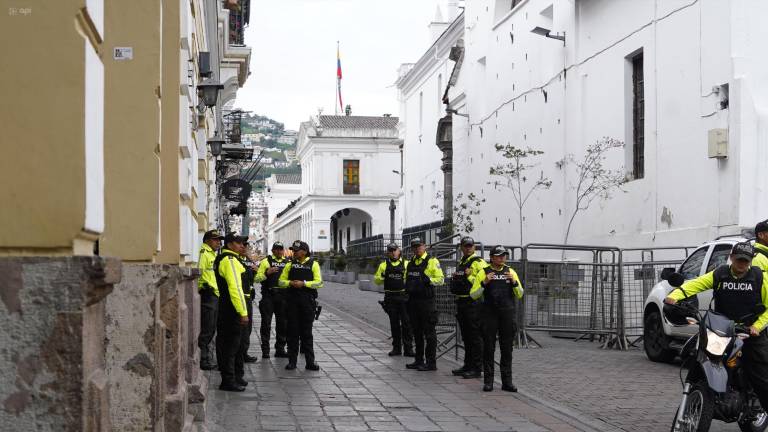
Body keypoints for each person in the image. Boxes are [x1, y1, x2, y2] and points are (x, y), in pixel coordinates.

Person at [665, 242, 768, 410]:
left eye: (746, 261)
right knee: (701, 354)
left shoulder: (760, 278)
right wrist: (675, 296)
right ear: (731, 258)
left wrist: (757, 326)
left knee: (762, 377)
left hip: (750, 332)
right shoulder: (720, 274)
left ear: (751, 261)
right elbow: (695, 284)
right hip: (722, 329)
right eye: (738, 259)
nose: (741, 264)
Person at [470, 245, 523, 392]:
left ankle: (507, 382)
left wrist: (514, 282)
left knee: (507, 349)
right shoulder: (484, 272)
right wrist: (484, 283)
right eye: (499, 256)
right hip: (489, 315)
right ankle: (489, 382)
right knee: (489, 348)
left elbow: (520, 294)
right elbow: (473, 294)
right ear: (492, 258)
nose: (502, 258)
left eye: (504, 255)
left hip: (507, 315)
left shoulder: (510, 271)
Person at [278, 240, 323, 371]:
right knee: (292, 333)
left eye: (296, 251)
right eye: (293, 250)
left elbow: (319, 283)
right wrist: (291, 283)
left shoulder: (313, 264)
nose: (294, 253)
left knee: (307, 334)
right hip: (292, 303)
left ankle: (310, 362)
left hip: (307, 303)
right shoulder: (289, 265)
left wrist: (304, 284)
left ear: (304, 251)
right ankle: (292, 362)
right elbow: (281, 282)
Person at [214, 233, 250, 392]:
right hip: (231, 309)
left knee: (231, 344)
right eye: (239, 243)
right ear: (229, 245)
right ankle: (228, 380)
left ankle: (233, 377)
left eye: (243, 243)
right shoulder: (230, 261)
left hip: (225, 308)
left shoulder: (228, 259)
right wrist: (243, 312)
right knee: (230, 346)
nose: (242, 245)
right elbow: (235, 288)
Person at [404, 237, 444, 371]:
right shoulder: (410, 263)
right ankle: (419, 360)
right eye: (414, 247)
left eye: (419, 246)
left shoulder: (432, 261)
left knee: (430, 334)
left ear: (424, 246)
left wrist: (429, 280)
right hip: (413, 302)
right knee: (417, 332)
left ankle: (431, 362)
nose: (417, 249)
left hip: (427, 303)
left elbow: (441, 280)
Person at [449, 236, 487, 379]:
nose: (468, 248)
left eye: (470, 246)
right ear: (461, 247)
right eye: (465, 246)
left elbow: (483, 282)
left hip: (473, 303)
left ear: (474, 247)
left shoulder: (479, 262)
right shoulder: (463, 262)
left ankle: (477, 368)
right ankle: (467, 365)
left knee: (475, 337)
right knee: (466, 337)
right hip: (462, 302)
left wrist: (469, 276)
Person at [374, 243, 415, 357]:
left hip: (403, 297)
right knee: (394, 324)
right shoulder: (383, 265)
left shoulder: (407, 264)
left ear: (399, 251)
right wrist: (382, 275)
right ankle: (396, 348)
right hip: (390, 297)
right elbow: (376, 280)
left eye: (394, 250)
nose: (393, 252)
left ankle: (408, 349)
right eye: (390, 250)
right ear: (388, 252)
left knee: (407, 323)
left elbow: (411, 279)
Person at [254, 242, 290, 358]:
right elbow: (257, 278)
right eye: (276, 249)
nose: (279, 251)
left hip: (283, 297)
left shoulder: (288, 263)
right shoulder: (266, 262)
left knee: (283, 324)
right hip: (268, 296)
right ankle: (265, 350)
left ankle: (280, 349)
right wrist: (266, 273)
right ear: (272, 250)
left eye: (281, 249)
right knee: (266, 324)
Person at [198, 229, 223, 370]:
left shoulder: (211, 253)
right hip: (208, 295)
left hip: (214, 295)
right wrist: (205, 288)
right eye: (215, 240)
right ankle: (203, 359)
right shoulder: (204, 253)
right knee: (207, 328)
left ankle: (205, 358)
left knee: (211, 327)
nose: (218, 242)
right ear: (207, 241)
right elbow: (200, 272)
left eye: (219, 240)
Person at [240, 246, 259, 363]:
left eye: (247, 247)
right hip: (241, 297)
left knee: (248, 328)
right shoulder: (236, 260)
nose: (246, 249)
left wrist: (257, 270)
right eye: (243, 246)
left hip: (249, 297)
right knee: (242, 328)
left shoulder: (248, 261)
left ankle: (244, 353)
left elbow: (256, 277)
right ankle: (240, 354)